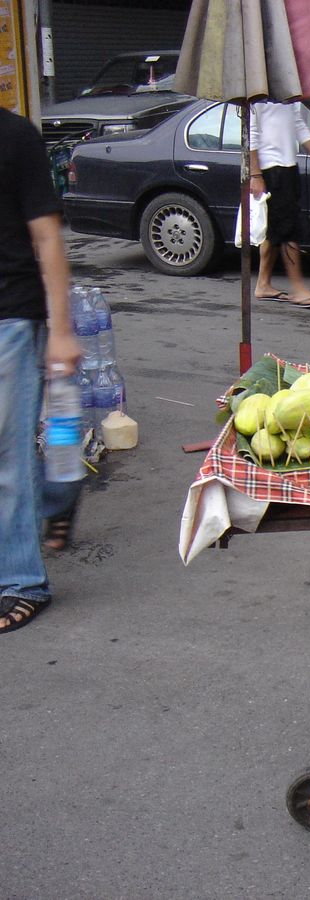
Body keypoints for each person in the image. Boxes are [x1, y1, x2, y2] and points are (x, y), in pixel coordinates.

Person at [1, 108, 84, 634]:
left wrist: (60, 327)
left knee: (7, 454)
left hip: (10, 312)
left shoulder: (14, 137)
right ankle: (58, 493)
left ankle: (22, 579)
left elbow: (47, 236)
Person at [249, 99, 310, 309]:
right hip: (270, 169)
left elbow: (298, 125)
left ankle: (263, 284)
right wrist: (255, 175)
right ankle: (298, 288)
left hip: (288, 167)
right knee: (288, 229)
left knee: (275, 229)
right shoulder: (257, 94)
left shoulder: (287, 95)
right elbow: (250, 135)